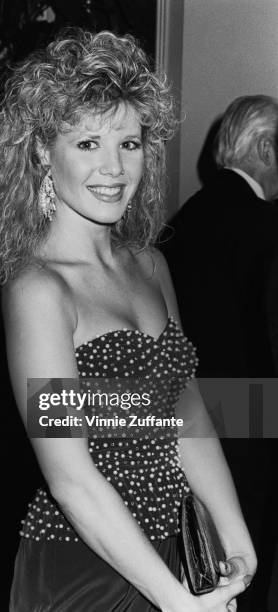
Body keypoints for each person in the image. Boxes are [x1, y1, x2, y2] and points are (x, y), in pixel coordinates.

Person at [0, 31, 256, 611]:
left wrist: (235, 539)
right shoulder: (38, 288)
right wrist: (175, 601)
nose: (114, 168)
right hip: (85, 567)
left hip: (177, 553)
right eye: (88, 143)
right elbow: (71, 478)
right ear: (42, 151)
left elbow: (186, 414)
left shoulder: (152, 266)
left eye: (130, 144)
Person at [160, 96, 278, 612]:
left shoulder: (186, 219)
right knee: (249, 560)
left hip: (187, 412)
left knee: (202, 562)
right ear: (268, 148)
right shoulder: (264, 225)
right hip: (255, 412)